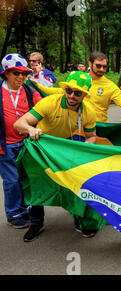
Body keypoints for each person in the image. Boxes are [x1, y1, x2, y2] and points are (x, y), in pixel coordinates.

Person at [14, 71, 97, 242]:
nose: (72, 96)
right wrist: (31, 129)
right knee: (38, 185)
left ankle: (79, 220)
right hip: (43, 148)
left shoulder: (88, 112)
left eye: (77, 93)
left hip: (64, 149)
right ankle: (36, 223)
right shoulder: (50, 102)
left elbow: (91, 136)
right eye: (69, 91)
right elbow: (18, 123)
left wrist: (88, 145)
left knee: (74, 183)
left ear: (84, 95)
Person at [33, 52, 121, 124]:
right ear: (90, 63)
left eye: (104, 66)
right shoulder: (80, 79)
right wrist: (37, 86)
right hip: (77, 127)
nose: (101, 69)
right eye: (98, 66)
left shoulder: (110, 85)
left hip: (99, 129)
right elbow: (60, 91)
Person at [0, 54, 42, 229]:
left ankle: (24, 208)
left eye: (24, 73)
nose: (20, 77)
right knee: (11, 181)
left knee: (25, 178)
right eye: (15, 73)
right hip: (5, 145)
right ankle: (13, 213)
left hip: (26, 144)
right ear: (6, 73)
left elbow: (45, 109)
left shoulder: (31, 92)